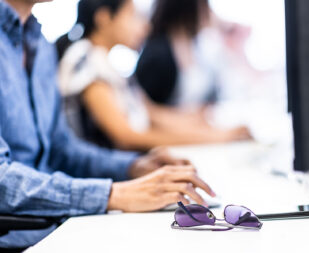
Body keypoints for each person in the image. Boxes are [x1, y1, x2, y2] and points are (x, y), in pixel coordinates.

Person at [0, 0, 216, 249]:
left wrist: (132, 167)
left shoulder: (41, 47)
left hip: (61, 224)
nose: (143, 27)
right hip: (23, 238)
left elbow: (62, 148)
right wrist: (114, 194)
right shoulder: (83, 60)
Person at [57, 0, 251, 151]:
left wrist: (203, 127)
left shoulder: (106, 64)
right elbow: (126, 136)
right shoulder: (85, 60)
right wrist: (214, 138)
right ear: (104, 18)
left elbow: (150, 112)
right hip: (106, 175)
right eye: (133, 16)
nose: (145, 26)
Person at [135, 0, 215, 108]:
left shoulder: (196, 45)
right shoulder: (157, 53)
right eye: (205, 6)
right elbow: (144, 108)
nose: (209, 12)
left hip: (192, 121)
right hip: (169, 123)